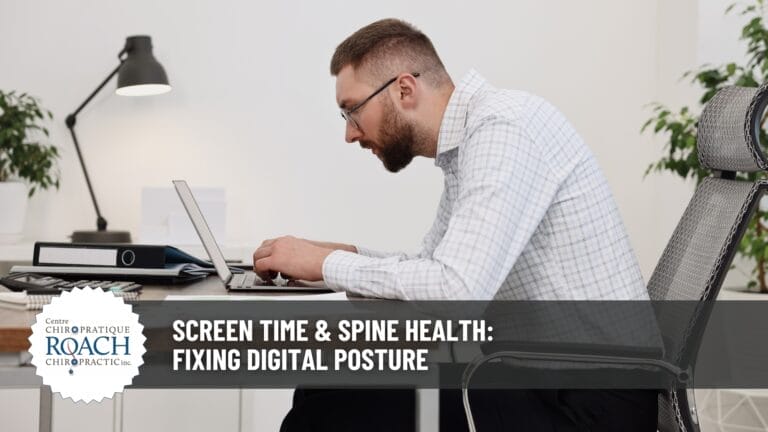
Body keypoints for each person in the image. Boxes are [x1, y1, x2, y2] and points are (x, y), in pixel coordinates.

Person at [254, 18, 658, 432]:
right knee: (322, 386)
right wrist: (335, 257)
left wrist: (327, 264)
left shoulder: (504, 128)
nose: (349, 133)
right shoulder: (469, 145)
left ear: (404, 89)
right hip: (539, 382)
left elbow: (456, 292)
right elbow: (432, 270)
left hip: (589, 406)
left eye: (352, 110)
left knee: (320, 419)